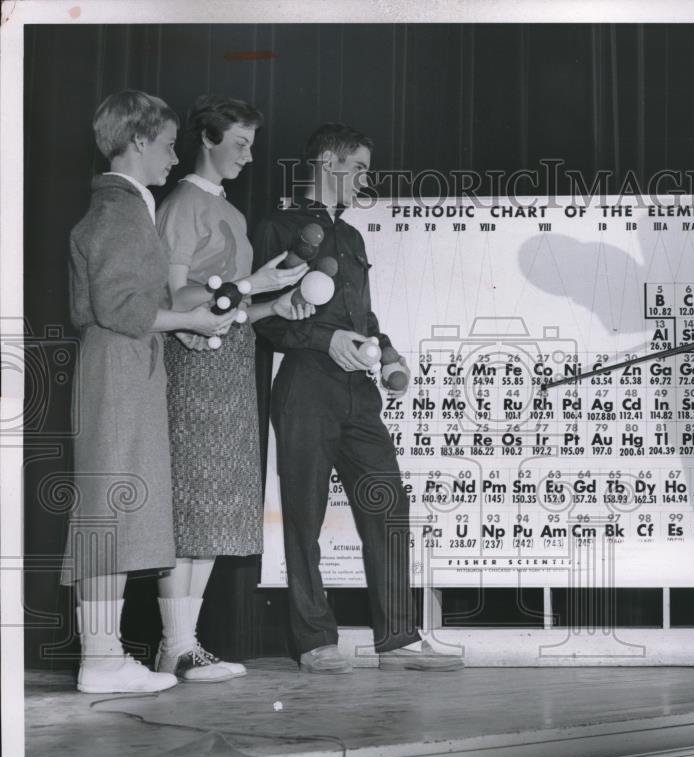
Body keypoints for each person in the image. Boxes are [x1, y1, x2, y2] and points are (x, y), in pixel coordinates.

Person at [252, 123, 464, 672]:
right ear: (329, 161)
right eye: (361, 168)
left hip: (357, 390)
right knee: (304, 516)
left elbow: (361, 317)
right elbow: (268, 324)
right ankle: (314, 640)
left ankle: (397, 638)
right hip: (304, 386)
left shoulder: (352, 237)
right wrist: (326, 339)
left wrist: (387, 352)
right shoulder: (276, 227)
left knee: (388, 504)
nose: (366, 180)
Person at [62, 90, 238, 694]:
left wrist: (191, 312)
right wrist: (189, 321)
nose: (172, 156)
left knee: (116, 508)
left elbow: (137, 303)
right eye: (165, 144)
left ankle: (106, 655)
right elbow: (121, 306)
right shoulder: (119, 211)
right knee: (108, 509)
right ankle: (102, 659)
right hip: (118, 363)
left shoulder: (130, 207)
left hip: (128, 362)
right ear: (137, 140)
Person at [153, 95, 315, 683]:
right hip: (192, 366)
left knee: (214, 511)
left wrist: (278, 302)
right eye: (240, 144)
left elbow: (230, 303)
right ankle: (176, 643)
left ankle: (183, 645)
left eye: (251, 144)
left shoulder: (227, 211)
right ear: (209, 141)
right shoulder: (181, 206)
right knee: (192, 507)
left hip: (229, 364)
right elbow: (173, 301)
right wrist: (254, 282)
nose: (249, 156)